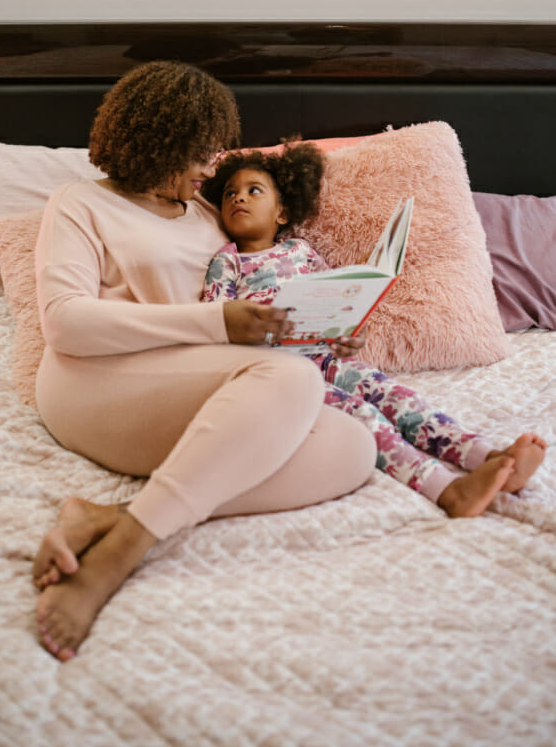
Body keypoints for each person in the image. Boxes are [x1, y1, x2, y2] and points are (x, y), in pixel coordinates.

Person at [32, 62, 377, 662]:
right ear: (159, 143)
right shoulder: (78, 204)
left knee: (353, 447)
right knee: (289, 381)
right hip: (92, 380)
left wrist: (318, 333)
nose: (211, 168)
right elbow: (65, 321)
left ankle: (106, 517)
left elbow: (246, 302)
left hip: (187, 378)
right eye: (201, 151)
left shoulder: (205, 215)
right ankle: (119, 556)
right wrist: (218, 325)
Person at [201, 142, 546, 519]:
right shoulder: (228, 260)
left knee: (400, 398)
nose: (239, 198)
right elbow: (214, 321)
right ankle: (446, 490)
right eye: (230, 194)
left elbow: (332, 302)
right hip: (283, 371)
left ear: (282, 212)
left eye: (254, 191)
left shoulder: (300, 251)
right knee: (364, 417)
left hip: (324, 356)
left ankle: (487, 456)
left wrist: (349, 335)